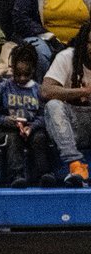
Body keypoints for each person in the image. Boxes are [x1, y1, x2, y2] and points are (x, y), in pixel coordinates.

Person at [0, 42, 55, 186]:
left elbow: (44, 115)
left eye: (26, 74)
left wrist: (32, 127)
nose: (21, 78)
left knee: (39, 138)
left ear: (33, 70)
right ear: (12, 69)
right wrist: (5, 120)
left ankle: (45, 173)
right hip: (10, 128)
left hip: (32, 128)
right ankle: (16, 175)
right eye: (18, 74)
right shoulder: (4, 87)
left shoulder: (38, 89)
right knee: (12, 140)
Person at [41, 21, 91, 186]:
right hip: (71, 124)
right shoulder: (67, 57)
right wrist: (82, 92)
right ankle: (77, 167)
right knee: (53, 105)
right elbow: (46, 91)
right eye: (90, 42)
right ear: (83, 43)